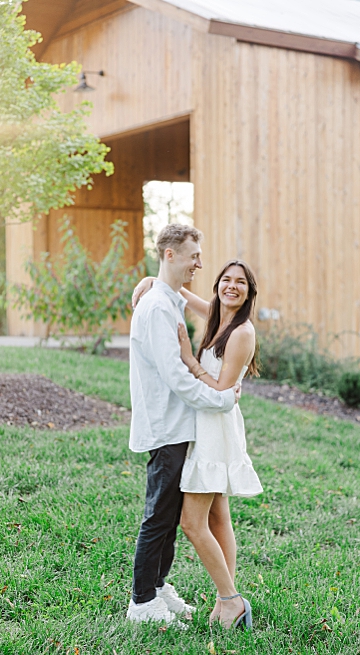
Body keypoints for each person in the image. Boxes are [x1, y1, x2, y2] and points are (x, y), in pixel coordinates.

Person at [126, 224, 240, 626]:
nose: (200, 263)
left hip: (181, 426)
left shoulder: (168, 298)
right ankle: (141, 603)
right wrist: (222, 400)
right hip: (167, 426)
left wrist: (154, 279)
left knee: (170, 513)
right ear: (170, 255)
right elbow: (176, 376)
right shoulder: (157, 307)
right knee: (159, 514)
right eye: (194, 255)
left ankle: (157, 588)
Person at [174, 260, 263, 630]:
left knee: (191, 522)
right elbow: (181, 292)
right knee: (217, 516)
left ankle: (231, 600)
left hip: (216, 428)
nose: (232, 286)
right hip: (208, 423)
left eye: (240, 282)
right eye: (226, 280)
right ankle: (224, 598)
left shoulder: (242, 332)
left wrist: (188, 360)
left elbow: (223, 390)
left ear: (249, 292)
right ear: (218, 286)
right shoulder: (217, 316)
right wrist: (153, 280)